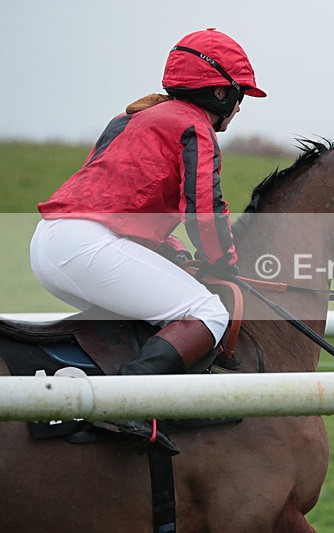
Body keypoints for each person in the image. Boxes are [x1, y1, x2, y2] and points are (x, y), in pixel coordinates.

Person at [30, 29, 267, 451]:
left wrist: (172, 252)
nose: (238, 108)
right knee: (207, 313)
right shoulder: (195, 128)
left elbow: (116, 199)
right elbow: (205, 211)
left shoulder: (127, 119)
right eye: (239, 96)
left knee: (156, 313)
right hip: (87, 247)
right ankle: (124, 404)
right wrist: (226, 265)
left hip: (49, 243)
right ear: (220, 93)